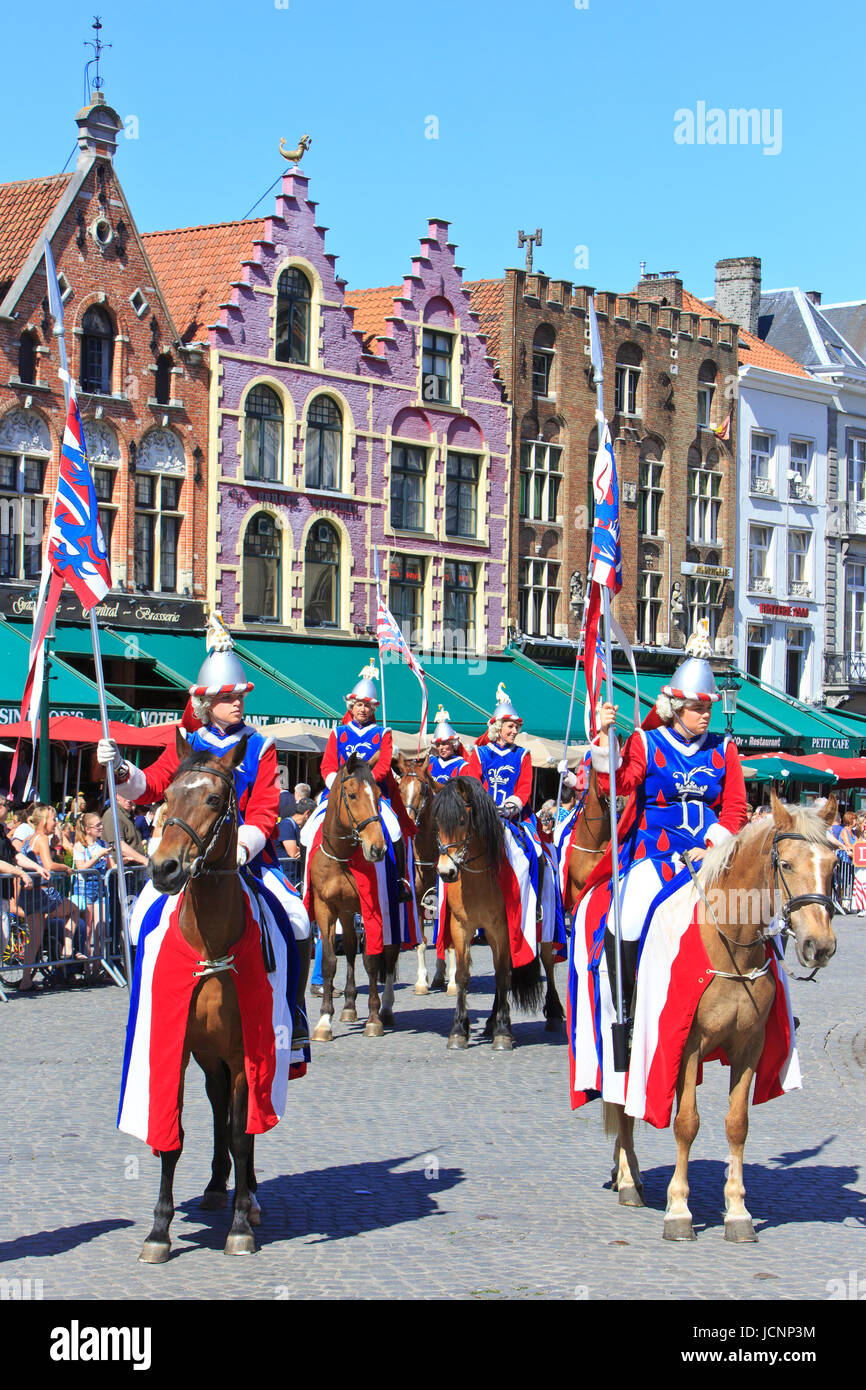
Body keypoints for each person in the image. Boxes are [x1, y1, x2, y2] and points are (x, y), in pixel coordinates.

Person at [97, 612, 311, 1063]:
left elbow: (267, 809)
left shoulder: (260, 746)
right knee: (140, 919)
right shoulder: (187, 743)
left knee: (296, 918)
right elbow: (153, 784)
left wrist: (239, 850)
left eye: (239, 696)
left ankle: (294, 1012)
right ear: (207, 702)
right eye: (227, 697)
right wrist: (117, 769)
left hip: (247, 860)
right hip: (188, 856)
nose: (236, 703)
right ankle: (146, 1007)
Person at [586, 625, 748, 998]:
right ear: (675, 708)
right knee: (627, 914)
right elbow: (619, 785)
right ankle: (626, 1004)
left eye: (709, 707)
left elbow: (736, 807)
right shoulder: (648, 741)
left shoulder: (725, 749)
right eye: (697, 708)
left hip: (712, 854)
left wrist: (714, 847)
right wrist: (605, 741)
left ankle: (767, 1001)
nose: (705, 714)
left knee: (759, 914)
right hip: (656, 852)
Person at [315, 662, 416, 902]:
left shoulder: (383, 734)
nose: (363, 710)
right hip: (339, 794)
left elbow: (383, 766)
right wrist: (338, 784)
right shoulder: (338, 733)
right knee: (310, 829)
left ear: (373, 709)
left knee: (393, 829)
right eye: (359, 705)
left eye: (367, 706)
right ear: (352, 706)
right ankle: (309, 879)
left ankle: (399, 880)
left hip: (372, 796)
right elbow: (327, 765)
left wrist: (366, 785)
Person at [26, 804, 83, 970]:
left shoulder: (31, 838)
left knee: (35, 939)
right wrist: (66, 868)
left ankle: (26, 980)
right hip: (43, 892)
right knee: (73, 910)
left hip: (30, 892)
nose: (56, 823)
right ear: (44, 821)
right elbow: (49, 865)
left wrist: (54, 845)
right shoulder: (42, 839)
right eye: (53, 819)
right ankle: (67, 950)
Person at [72, 813, 114, 977]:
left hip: (101, 888)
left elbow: (111, 866)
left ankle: (97, 967)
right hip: (85, 889)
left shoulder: (102, 844)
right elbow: (81, 868)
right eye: (97, 826)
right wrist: (98, 856)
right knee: (87, 929)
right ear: (88, 830)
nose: (101, 828)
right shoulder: (80, 846)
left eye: (101, 825)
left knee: (101, 927)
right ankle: (87, 968)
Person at [276, 797, 315, 888]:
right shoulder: (286, 825)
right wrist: (306, 851)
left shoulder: (300, 827)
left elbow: (301, 851)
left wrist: (303, 852)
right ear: (307, 813)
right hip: (286, 876)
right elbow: (293, 853)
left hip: (295, 876)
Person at [104, 792, 149, 869]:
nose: (129, 800)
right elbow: (119, 845)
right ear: (116, 796)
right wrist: (145, 860)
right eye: (125, 795)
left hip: (134, 871)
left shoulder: (128, 815)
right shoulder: (113, 815)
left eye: (131, 795)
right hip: (121, 873)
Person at [427, 707, 468, 784]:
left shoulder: (462, 766)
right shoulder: (430, 761)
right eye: (438, 745)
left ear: (453, 744)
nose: (441, 748)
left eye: (444, 744)